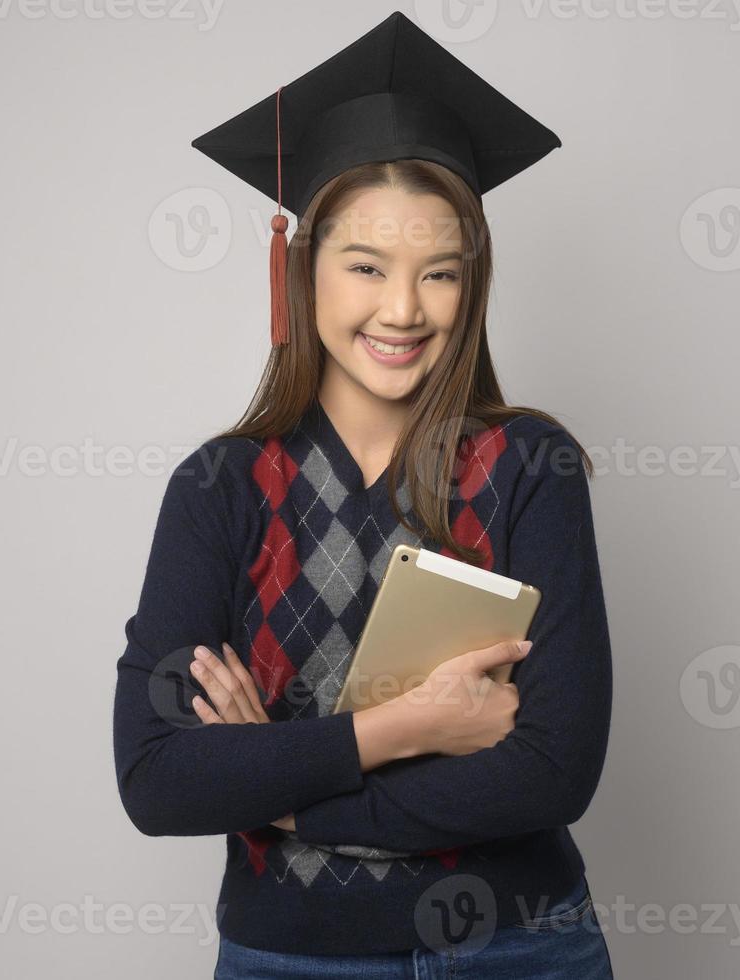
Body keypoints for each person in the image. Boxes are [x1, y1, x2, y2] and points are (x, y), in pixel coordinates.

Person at [112, 10, 615, 977]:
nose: (402, 309)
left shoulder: (529, 467)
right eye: (365, 267)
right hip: (292, 959)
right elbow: (159, 779)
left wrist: (282, 789)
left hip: (517, 950)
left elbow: (553, 769)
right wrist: (410, 728)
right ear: (303, 273)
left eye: (439, 273)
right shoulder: (220, 489)